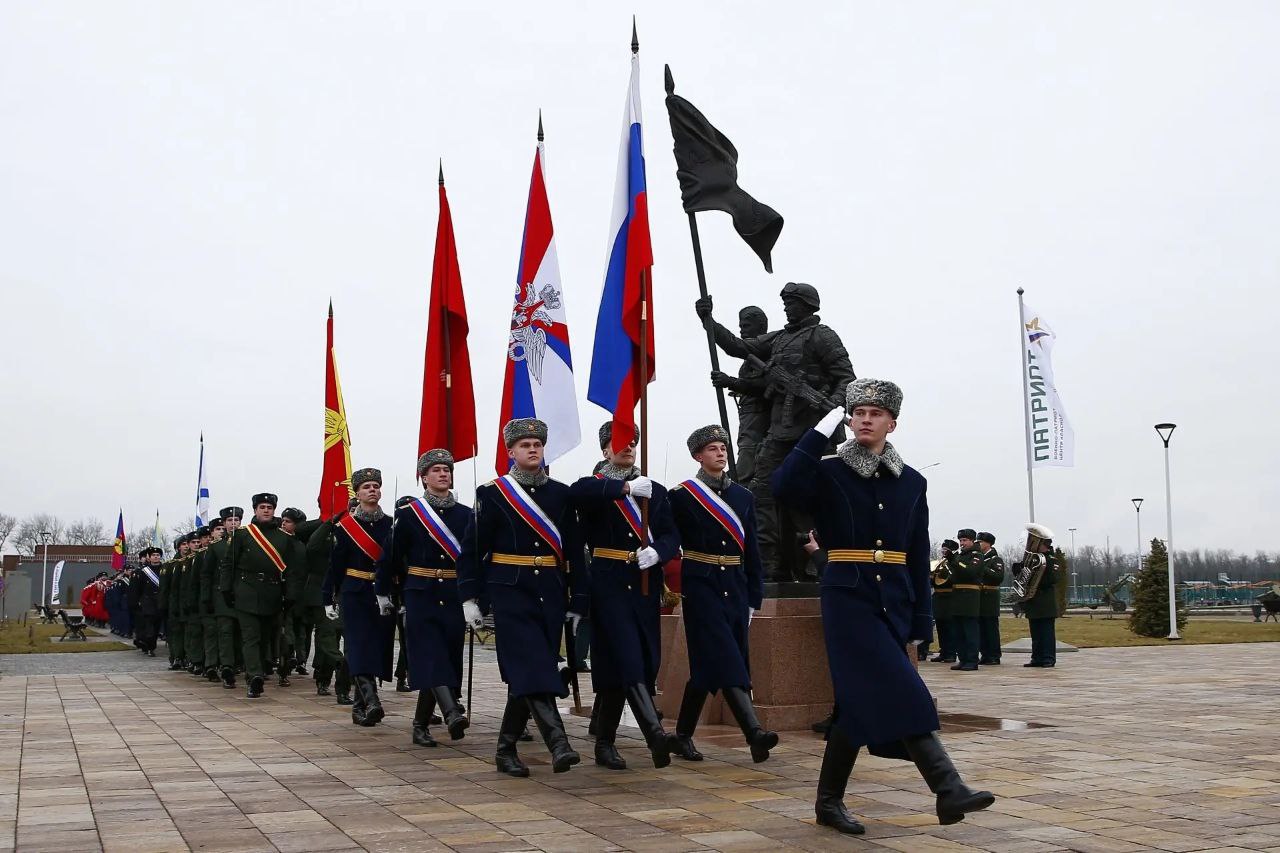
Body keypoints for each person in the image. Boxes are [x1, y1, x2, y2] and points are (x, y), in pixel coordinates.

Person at [773, 378, 995, 835]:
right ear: (849, 420)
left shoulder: (912, 481)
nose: (866, 419)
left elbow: (916, 551)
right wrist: (820, 429)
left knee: (856, 705)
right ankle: (947, 787)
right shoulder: (829, 469)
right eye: (858, 413)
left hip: (893, 601)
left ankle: (827, 803)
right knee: (903, 688)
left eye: (876, 413)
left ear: (893, 422)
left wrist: (922, 616)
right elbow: (783, 486)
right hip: (848, 597)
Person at [696, 283, 855, 581]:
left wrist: (830, 407)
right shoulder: (779, 338)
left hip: (814, 432)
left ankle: (813, 560)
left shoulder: (822, 335)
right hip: (782, 430)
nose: (786, 308)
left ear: (807, 304)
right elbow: (738, 347)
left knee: (812, 495)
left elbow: (846, 378)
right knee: (761, 490)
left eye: (791, 302)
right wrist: (709, 322)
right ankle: (769, 562)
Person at [458, 418, 587, 777]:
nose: (533, 449)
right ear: (511, 452)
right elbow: (472, 550)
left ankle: (505, 750)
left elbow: (576, 551)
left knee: (528, 671)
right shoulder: (492, 493)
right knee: (534, 664)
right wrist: (470, 597)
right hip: (509, 591)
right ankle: (559, 743)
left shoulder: (561, 494)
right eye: (525, 445)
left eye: (538, 444)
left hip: (549, 590)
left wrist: (579, 600)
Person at [570, 423, 680, 770]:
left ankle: (605, 743)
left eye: (633, 442)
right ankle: (655, 735)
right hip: (609, 584)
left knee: (639, 662)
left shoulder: (655, 491)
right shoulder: (599, 488)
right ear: (604, 450)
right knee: (627, 657)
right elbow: (578, 493)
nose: (628, 447)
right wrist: (626, 488)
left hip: (644, 583)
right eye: (619, 443)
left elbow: (670, 534)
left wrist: (659, 552)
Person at [667, 425, 775, 764]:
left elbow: (752, 550)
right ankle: (754, 732)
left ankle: (682, 736)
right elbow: (670, 541)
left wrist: (754, 596)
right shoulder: (682, 496)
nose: (721, 452)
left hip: (736, 586)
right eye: (713, 448)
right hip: (701, 586)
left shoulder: (743, 496)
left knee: (710, 666)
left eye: (723, 447)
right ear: (699, 456)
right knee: (727, 655)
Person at [389, 449, 472, 747]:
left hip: (452, 592)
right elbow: (392, 556)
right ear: (424, 478)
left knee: (446, 656)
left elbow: (472, 557)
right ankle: (451, 712)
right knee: (431, 652)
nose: (443, 473)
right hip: (420, 591)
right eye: (435, 470)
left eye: (446, 469)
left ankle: (420, 724)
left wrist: (474, 596)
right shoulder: (409, 515)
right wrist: (387, 593)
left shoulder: (465, 514)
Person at [323, 468, 395, 725]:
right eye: (366, 487)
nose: (372, 490)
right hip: (354, 593)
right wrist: (327, 597)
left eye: (376, 485)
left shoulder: (391, 525)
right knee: (357, 646)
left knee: (375, 647)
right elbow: (335, 565)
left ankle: (359, 707)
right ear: (358, 493)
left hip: (383, 594)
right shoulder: (345, 528)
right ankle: (372, 699)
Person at [220, 493, 304, 699]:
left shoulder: (284, 538)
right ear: (255, 510)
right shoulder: (243, 535)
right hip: (246, 590)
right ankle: (254, 676)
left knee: (266, 638)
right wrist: (226, 589)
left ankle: (259, 669)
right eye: (262, 507)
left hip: (272, 593)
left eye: (269, 507)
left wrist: (291, 595)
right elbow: (228, 564)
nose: (266, 510)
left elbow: (293, 571)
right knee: (251, 637)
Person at [709, 306, 770, 485]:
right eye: (740, 326)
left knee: (743, 471)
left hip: (759, 423)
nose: (742, 330)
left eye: (746, 325)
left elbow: (764, 386)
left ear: (760, 326)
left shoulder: (766, 349)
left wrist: (732, 382)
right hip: (749, 422)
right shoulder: (752, 357)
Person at [208, 507, 244, 688]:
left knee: (242, 632)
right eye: (229, 520)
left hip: (244, 594)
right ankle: (227, 667)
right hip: (222, 595)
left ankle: (240, 663)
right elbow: (206, 575)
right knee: (226, 632)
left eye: (237, 520)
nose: (233, 523)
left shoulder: (248, 542)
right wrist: (206, 599)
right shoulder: (216, 547)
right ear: (223, 523)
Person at [1020, 524, 1059, 667]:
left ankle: (1048, 658)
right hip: (1033, 601)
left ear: (1043, 544)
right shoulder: (1033, 559)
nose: (1030, 544)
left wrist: (1034, 575)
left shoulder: (1051, 560)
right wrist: (1021, 570)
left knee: (1047, 633)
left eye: (1035, 541)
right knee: (1035, 633)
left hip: (1045, 602)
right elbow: (1023, 580)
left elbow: (1052, 579)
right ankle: (1036, 658)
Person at [948, 529, 983, 672]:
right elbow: (953, 574)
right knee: (958, 631)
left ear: (972, 541)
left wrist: (954, 561)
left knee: (970, 631)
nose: (962, 543)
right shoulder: (960, 556)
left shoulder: (977, 555)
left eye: (965, 540)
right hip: (957, 595)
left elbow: (970, 572)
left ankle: (972, 660)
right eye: (961, 540)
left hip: (969, 596)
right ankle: (962, 659)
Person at [195, 518, 226, 681]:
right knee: (211, 633)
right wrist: (203, 600)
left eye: (222, 528)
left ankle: (227, 664)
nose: (221, 531)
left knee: (225, 633)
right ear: (211, 533)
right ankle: (210, 665)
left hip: (226, 598)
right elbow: (197, 581)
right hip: (209, 599)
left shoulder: (231, 548)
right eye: (217, 529)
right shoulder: (202, 555)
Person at [977, 532, 1004, 665]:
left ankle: (994, 655)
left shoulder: (995, 560)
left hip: (990, 597)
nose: (979, 544)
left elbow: (998, 577)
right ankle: (985, 654)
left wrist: (982, 567)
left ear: (988, 544)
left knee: (991, 628)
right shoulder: (980, 558)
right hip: (979, 597)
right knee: (982, 628)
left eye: (981, 542)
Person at [929, 540, 958, 663]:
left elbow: (954, 576)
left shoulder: (954, 561)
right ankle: (943, 651)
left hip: (950, 596)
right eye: (943, 549)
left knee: (949, 626)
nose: (943, 552)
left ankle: (951, 653)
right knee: (940, 625)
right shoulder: (941, 562)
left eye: (946, 550)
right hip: (938, 596)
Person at [131, 547, 163, 655]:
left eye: (158, 555)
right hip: (148, 602)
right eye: (153, 555)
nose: (156, 557)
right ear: (149, 557)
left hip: (160, 602)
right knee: (149, 626)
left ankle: (151, 645)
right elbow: (137, 589)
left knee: (156, 626)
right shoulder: (143, 571)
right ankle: (150, 647)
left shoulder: (165, 569)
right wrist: (137, 602)